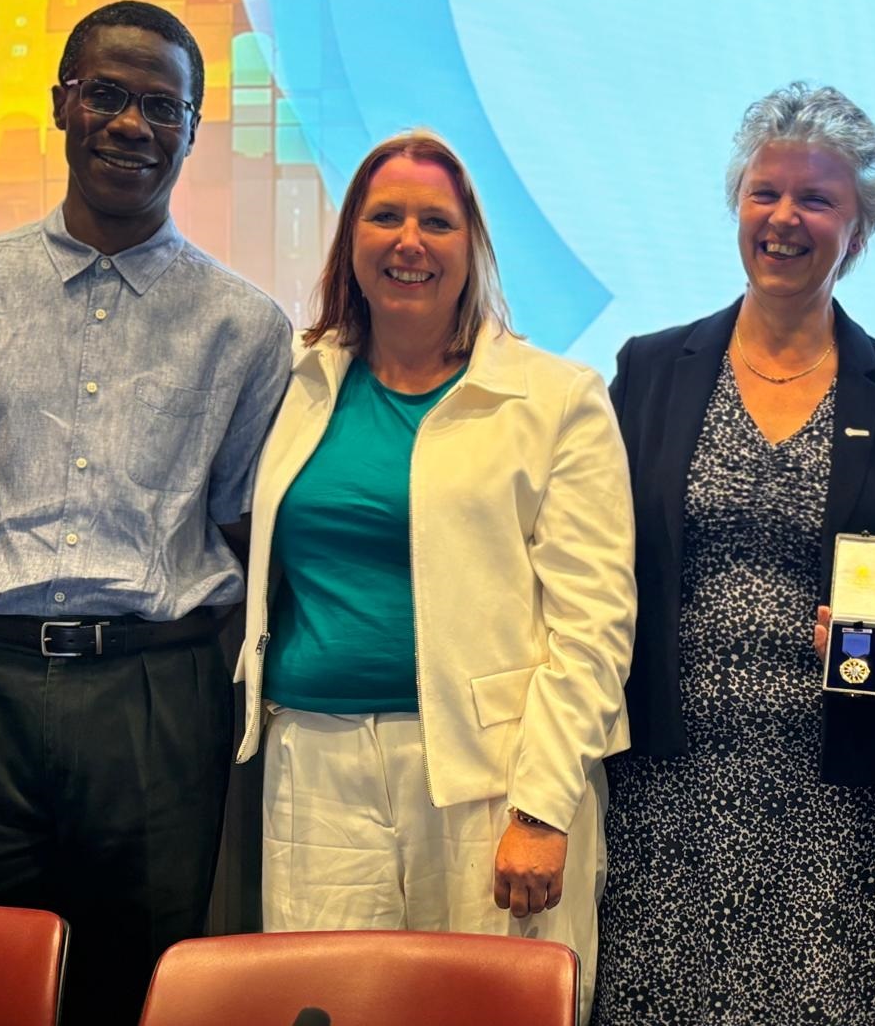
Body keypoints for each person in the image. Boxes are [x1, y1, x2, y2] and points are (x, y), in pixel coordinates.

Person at [233, 130, 634, 1020]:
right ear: (350, 243)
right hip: (315, 768)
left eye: (435, 222)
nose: (408, 241)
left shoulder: (557, 398)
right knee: (321, 1007)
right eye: (384, 217)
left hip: (489, 779)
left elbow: (595, 624)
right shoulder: (299, 382)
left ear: (473, 246)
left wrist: (542, 805)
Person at [593, 83, 875, 1025]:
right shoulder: (649, 370)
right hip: (672, 786)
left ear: (858, 231)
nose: (784, 218)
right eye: (765, 193)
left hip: (839, 791)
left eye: (816, 199)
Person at [0, 0, 292, 1024]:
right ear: (62, 103)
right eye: (106, 95)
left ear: (193, 129)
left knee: (141, 987)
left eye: (161, 106)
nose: (130, 126)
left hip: (154, 694)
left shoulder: (246, 325)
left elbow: (243, 519)